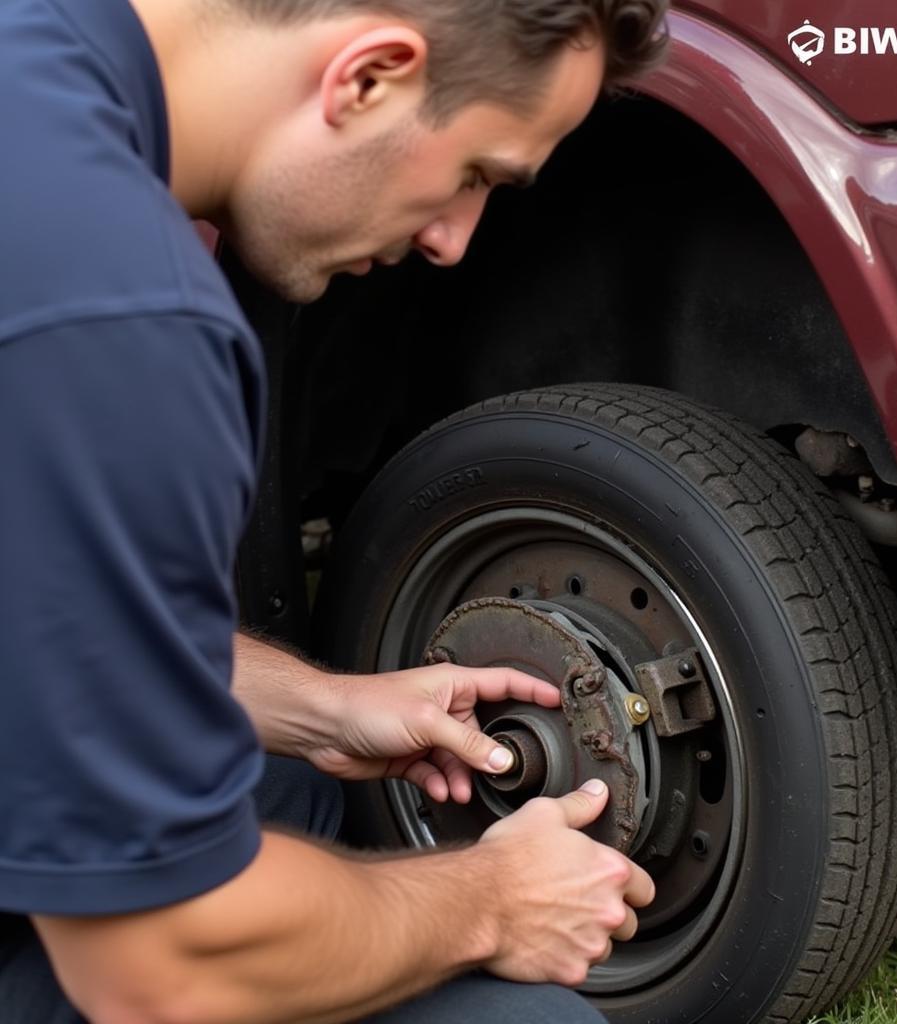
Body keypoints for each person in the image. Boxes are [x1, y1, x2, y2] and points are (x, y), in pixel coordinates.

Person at [0, 0, 668, 1020]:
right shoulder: (118, 318)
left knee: (303, 801)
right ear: (367, 78)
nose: (453, 239)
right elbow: (156, 971)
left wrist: (320, 710)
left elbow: (37, 617)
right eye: (476, 174)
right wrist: (491, 901)